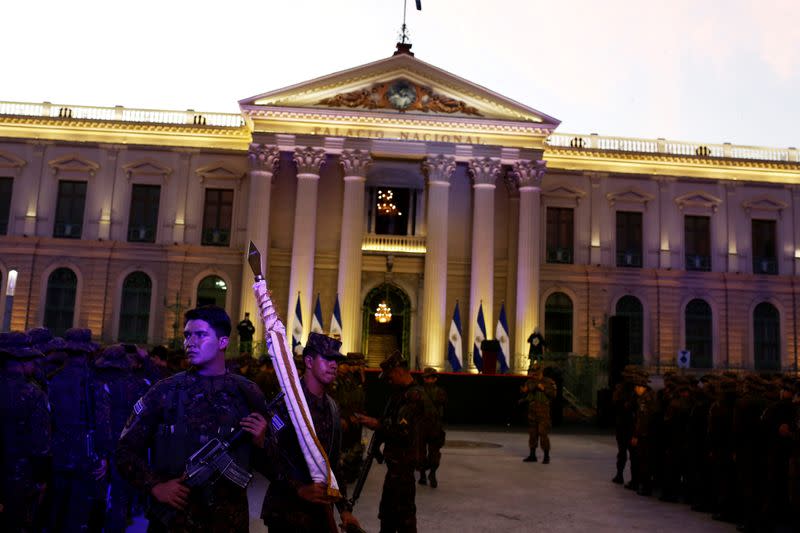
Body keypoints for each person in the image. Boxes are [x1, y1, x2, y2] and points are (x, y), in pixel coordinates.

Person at [115, 305, 269, 532]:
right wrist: (155, 486)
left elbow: (275, 466)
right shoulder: (164, 391)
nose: (190, 342)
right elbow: (125, 450)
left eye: (201, 335)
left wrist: (263, 442)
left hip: (227, 522)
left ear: (223, 342)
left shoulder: (247, 393)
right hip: (174, 521)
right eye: (187, 335)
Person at [259, 332, 362, 532]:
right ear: (308, 361)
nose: (334, 365)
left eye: (336, 360)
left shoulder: (332, 408)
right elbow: (267, 456)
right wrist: (298, 488)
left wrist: (343, 509)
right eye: (327, 358)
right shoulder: (285, 404)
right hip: (286, 512)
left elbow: (332, 462)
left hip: (319, 514)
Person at [355, 351, 426, 533]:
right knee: (387, 514)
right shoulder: (399, 394)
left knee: (404, 518)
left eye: (390, 376)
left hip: (403, 466)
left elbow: (402, 430)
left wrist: (377, 424)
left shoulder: (414, 396)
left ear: (398, 371)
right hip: (395, 465)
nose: (388, 380)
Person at [47, 327, 107, 533]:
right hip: (85, 452)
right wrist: (103, 456)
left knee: (57, 508)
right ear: (88, 351)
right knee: (79, 511)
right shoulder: (94, 381)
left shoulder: (54, 379)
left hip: (58, 451)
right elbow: (101, 421)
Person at [0, 332, 52, 533]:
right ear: (20, 361)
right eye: (31, 359)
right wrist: (41, 479)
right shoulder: (33, 394)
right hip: (19, 476)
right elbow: (41, 444)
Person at [521, 363, 556, 463]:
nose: (534, 374)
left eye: (536, 372)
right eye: (533, 372)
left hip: (543, 411)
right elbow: (525, 394)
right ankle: (532, 455)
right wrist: (524, 392)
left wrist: (544, 389)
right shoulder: (529, 382)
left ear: (541, 372)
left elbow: (553, 394)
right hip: (532, 411)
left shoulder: (548, 382)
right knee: (532, 433)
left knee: (543, 433)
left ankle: (546, 456)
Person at [417, 367, 447, 488]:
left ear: (435, 379)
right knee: (420, 452)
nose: (429, 380)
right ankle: (424, 474)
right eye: (427, 378)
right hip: (423, 425)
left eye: (431, 377)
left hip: (433, 425)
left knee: (433, 452)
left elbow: (442, 403)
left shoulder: (438, 392)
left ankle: (432, 473)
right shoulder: (419, 391)